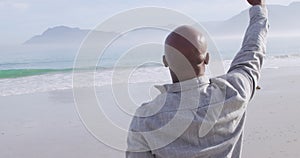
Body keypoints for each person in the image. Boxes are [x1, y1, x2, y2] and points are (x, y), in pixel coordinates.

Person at [126, 0, 269, 157]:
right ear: (206, 58)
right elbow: (252, 50)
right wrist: (258, 8)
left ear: (165, 62)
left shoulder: (145, 119)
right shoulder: (234, 92)